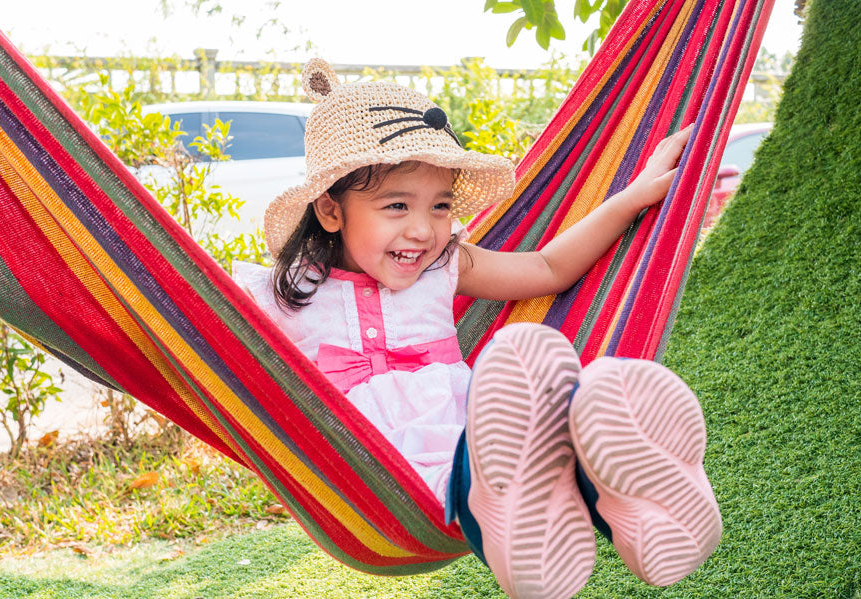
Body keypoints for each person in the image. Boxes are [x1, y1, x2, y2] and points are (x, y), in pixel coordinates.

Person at [234, 58, 721, 599]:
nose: (423, 229)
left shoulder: (446, 266)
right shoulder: (281, 294)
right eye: (397, 205)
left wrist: (634, 196)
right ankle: (530, 518)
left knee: (526, 385)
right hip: (382, 467)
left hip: (476, 423)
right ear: (330, 211)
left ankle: (635, 506)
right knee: (482, 465)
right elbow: (204, 350)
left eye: (441, 206)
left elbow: (547, 269)